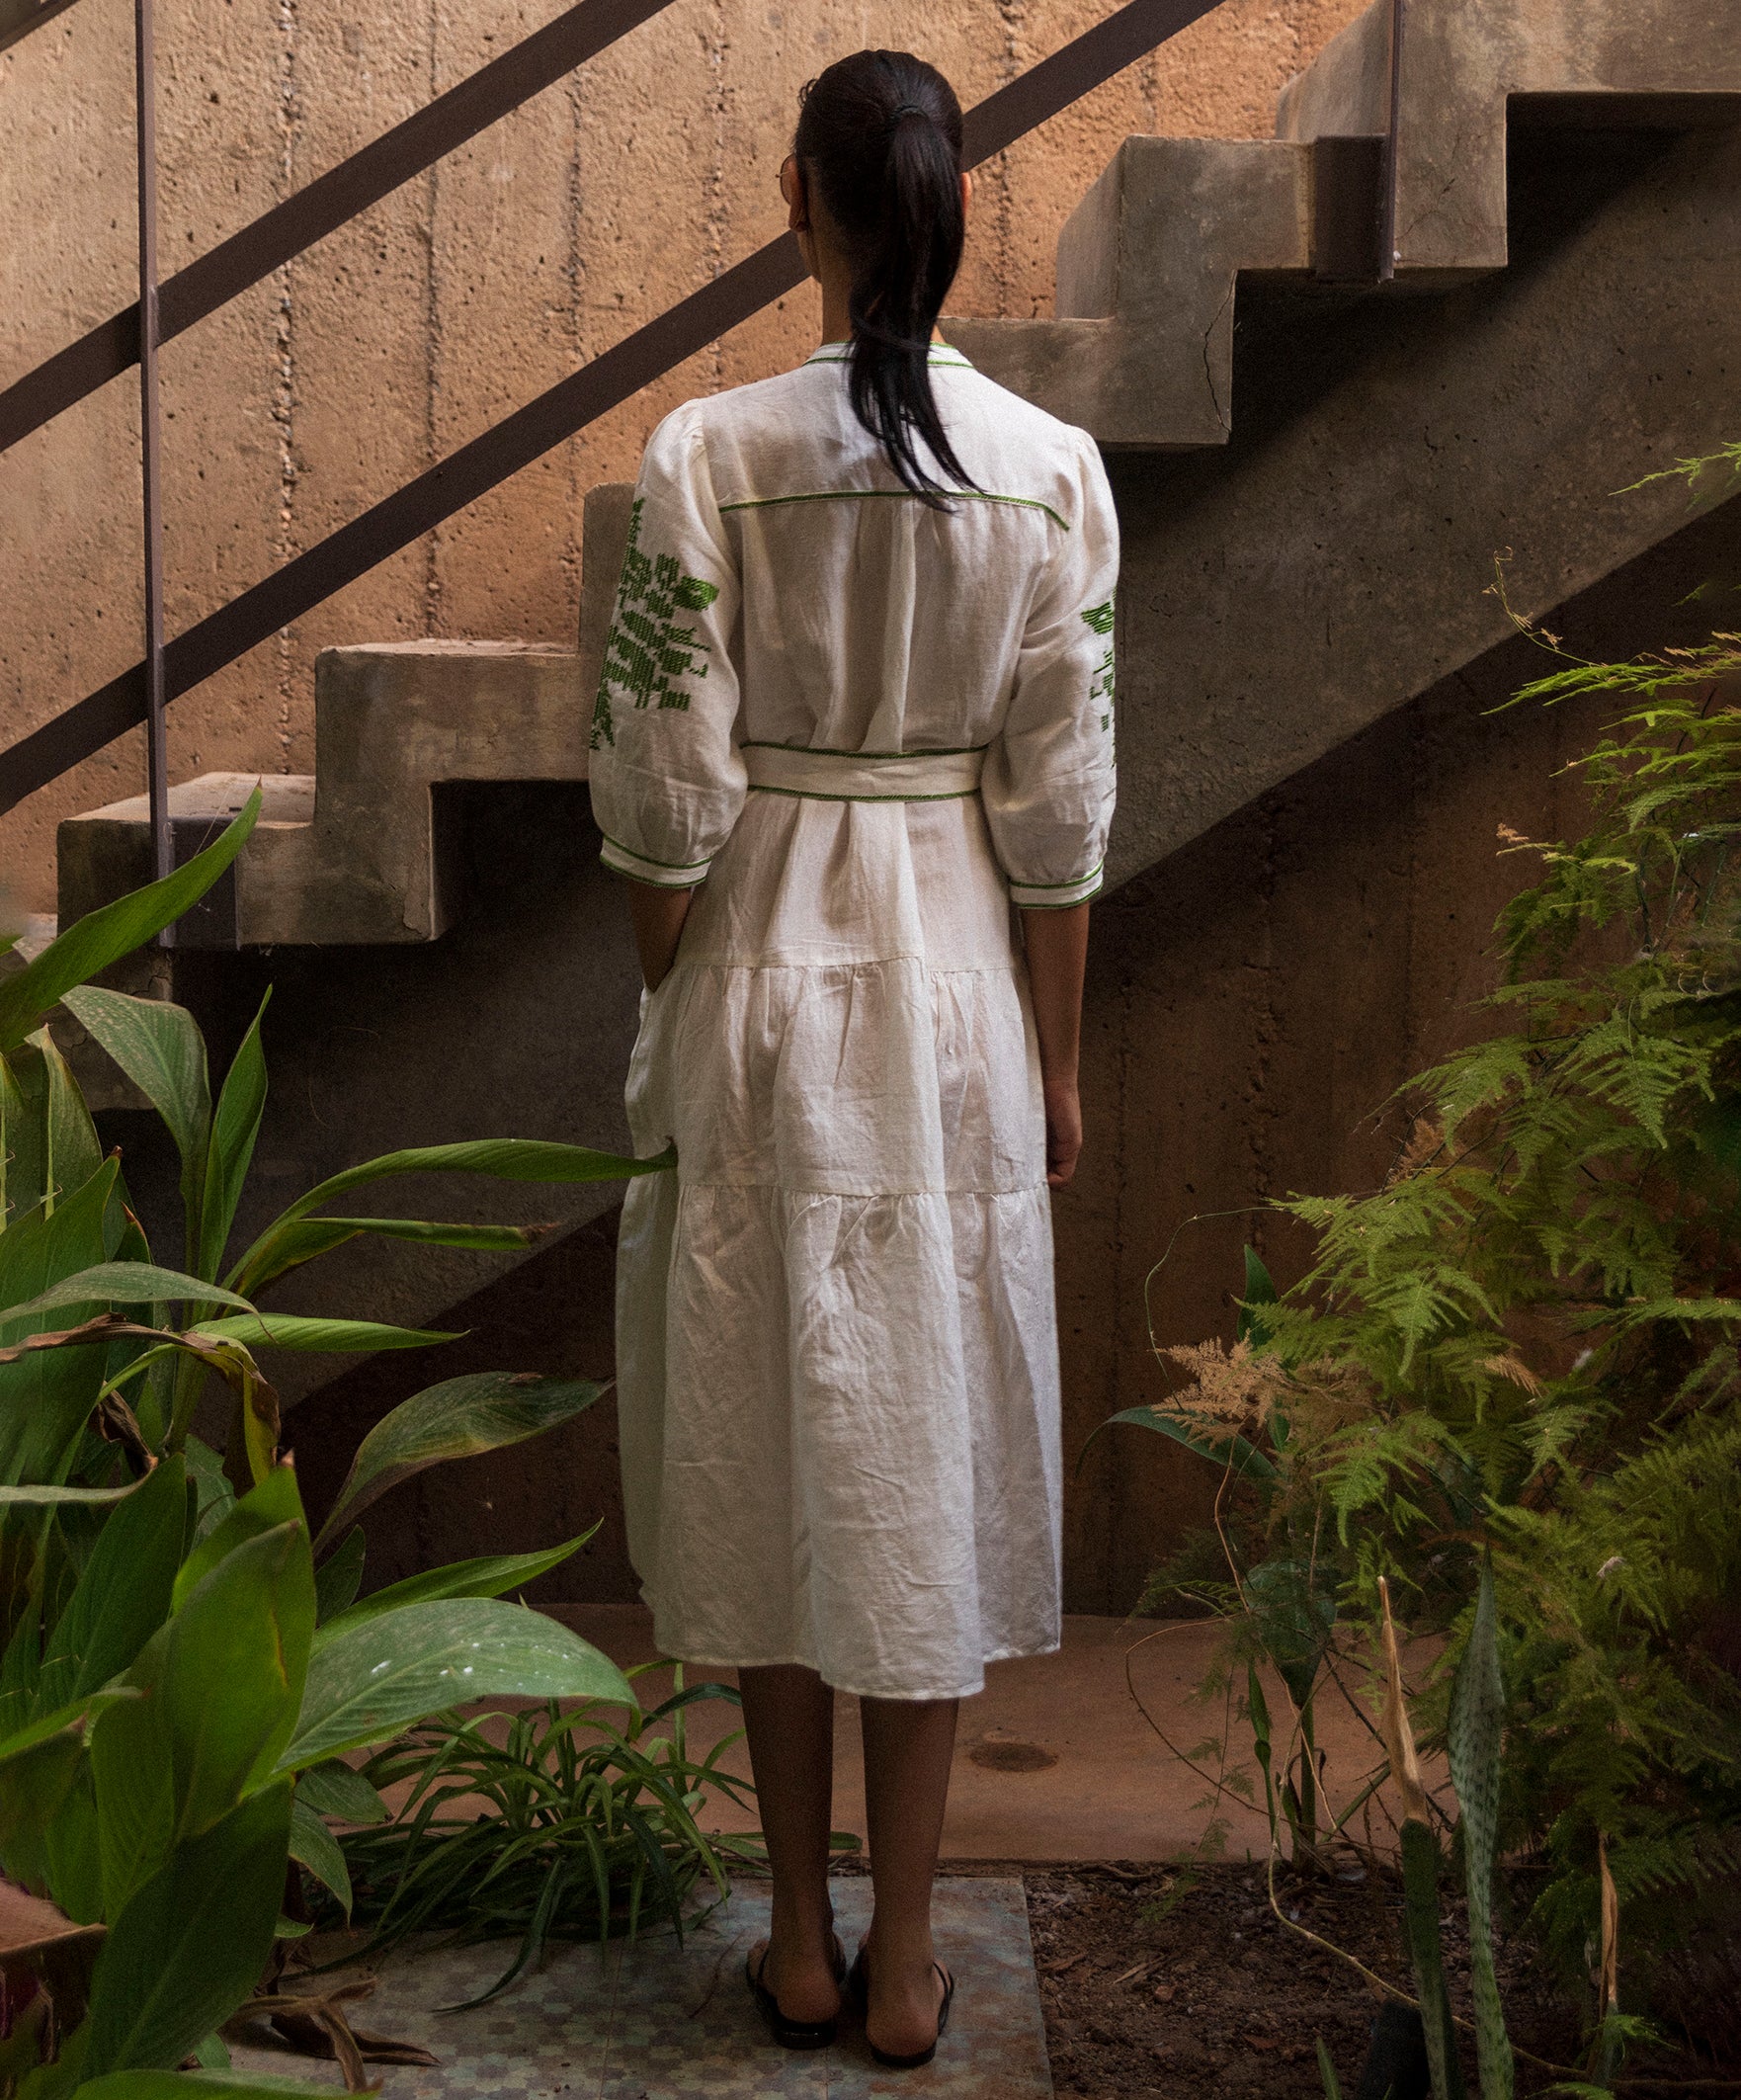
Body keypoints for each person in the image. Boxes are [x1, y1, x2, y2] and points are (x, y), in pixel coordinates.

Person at [588, 45, 1118, 2071]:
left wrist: (673, 987)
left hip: (754, 974)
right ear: (951, 204)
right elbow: (1060, 816)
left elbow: (660, 787)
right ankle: (908, 1966)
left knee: (759, 1428)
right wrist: (1053, 1071)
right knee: (917, 1453)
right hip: (954, 992)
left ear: (796, 197)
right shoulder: (1048, 468)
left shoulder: (706, 452)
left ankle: (793, 1942)